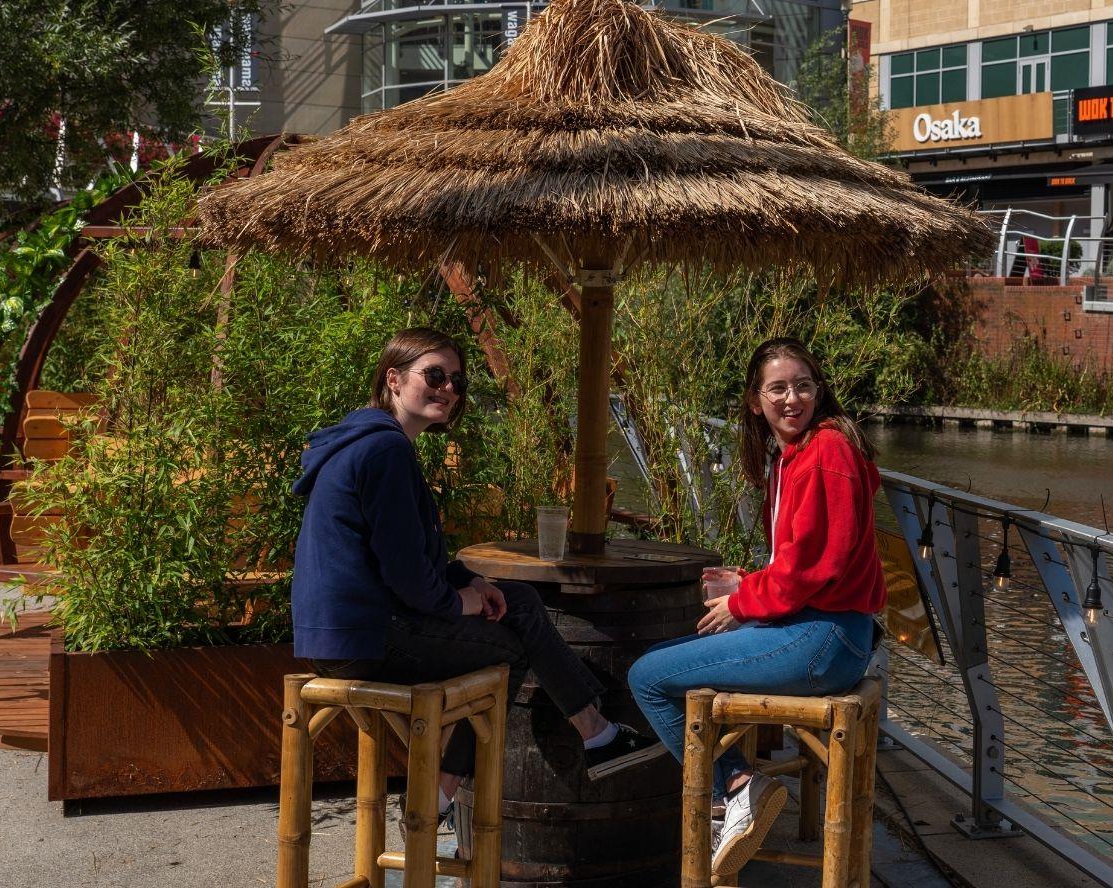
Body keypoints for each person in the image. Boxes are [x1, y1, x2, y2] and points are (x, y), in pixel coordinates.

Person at [292, 328, 662, 829]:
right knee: (508, 651)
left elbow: (412, 555)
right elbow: (409, 579)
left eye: (458, 380)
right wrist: (463, 601)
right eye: (435, 375)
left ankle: (594, 734)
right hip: (364, 638)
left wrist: (472, 582)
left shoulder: (370, 443)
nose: (448, 388)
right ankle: (446, 789)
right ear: (394, 379)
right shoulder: (385, 453)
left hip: (343, 632)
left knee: (519, 600)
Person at [627, 338, 885, 882]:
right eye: (778, 389)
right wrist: (747, 582)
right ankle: (741, 789)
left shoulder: (827, 452)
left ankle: (738, 788)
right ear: (754, 400)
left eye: (803, 386)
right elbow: (805, 562)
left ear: (819, 390)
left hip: (825, 639)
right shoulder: (796, 455)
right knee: (667, 658)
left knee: (648, 675)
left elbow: (818, 569)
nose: (793, 398)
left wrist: (743, 602)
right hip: (824, 630)